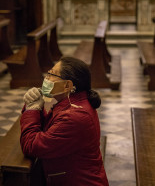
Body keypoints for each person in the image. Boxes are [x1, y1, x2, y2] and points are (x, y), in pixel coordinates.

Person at [20, 56, 109, 186]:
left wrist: (31, 110)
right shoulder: (69, 103)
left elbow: (31, 145)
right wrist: (33, 105)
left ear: (67, 85)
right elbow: (48, 127)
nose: (46, 78)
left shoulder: (75, 116)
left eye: (51, 74)